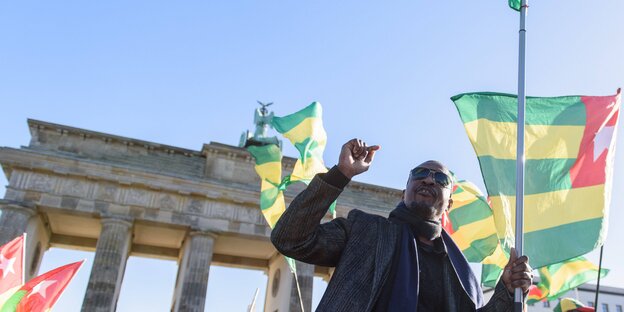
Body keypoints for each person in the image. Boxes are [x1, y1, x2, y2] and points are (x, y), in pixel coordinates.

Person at [271, 138, 533, 311]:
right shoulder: (363, 230)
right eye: (420, 174)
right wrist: (341, 173)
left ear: (449, 205)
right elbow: (289, 239)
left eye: (440, 179)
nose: (429, 180)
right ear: (403, 192)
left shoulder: (461, 271)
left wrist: (507, 291)